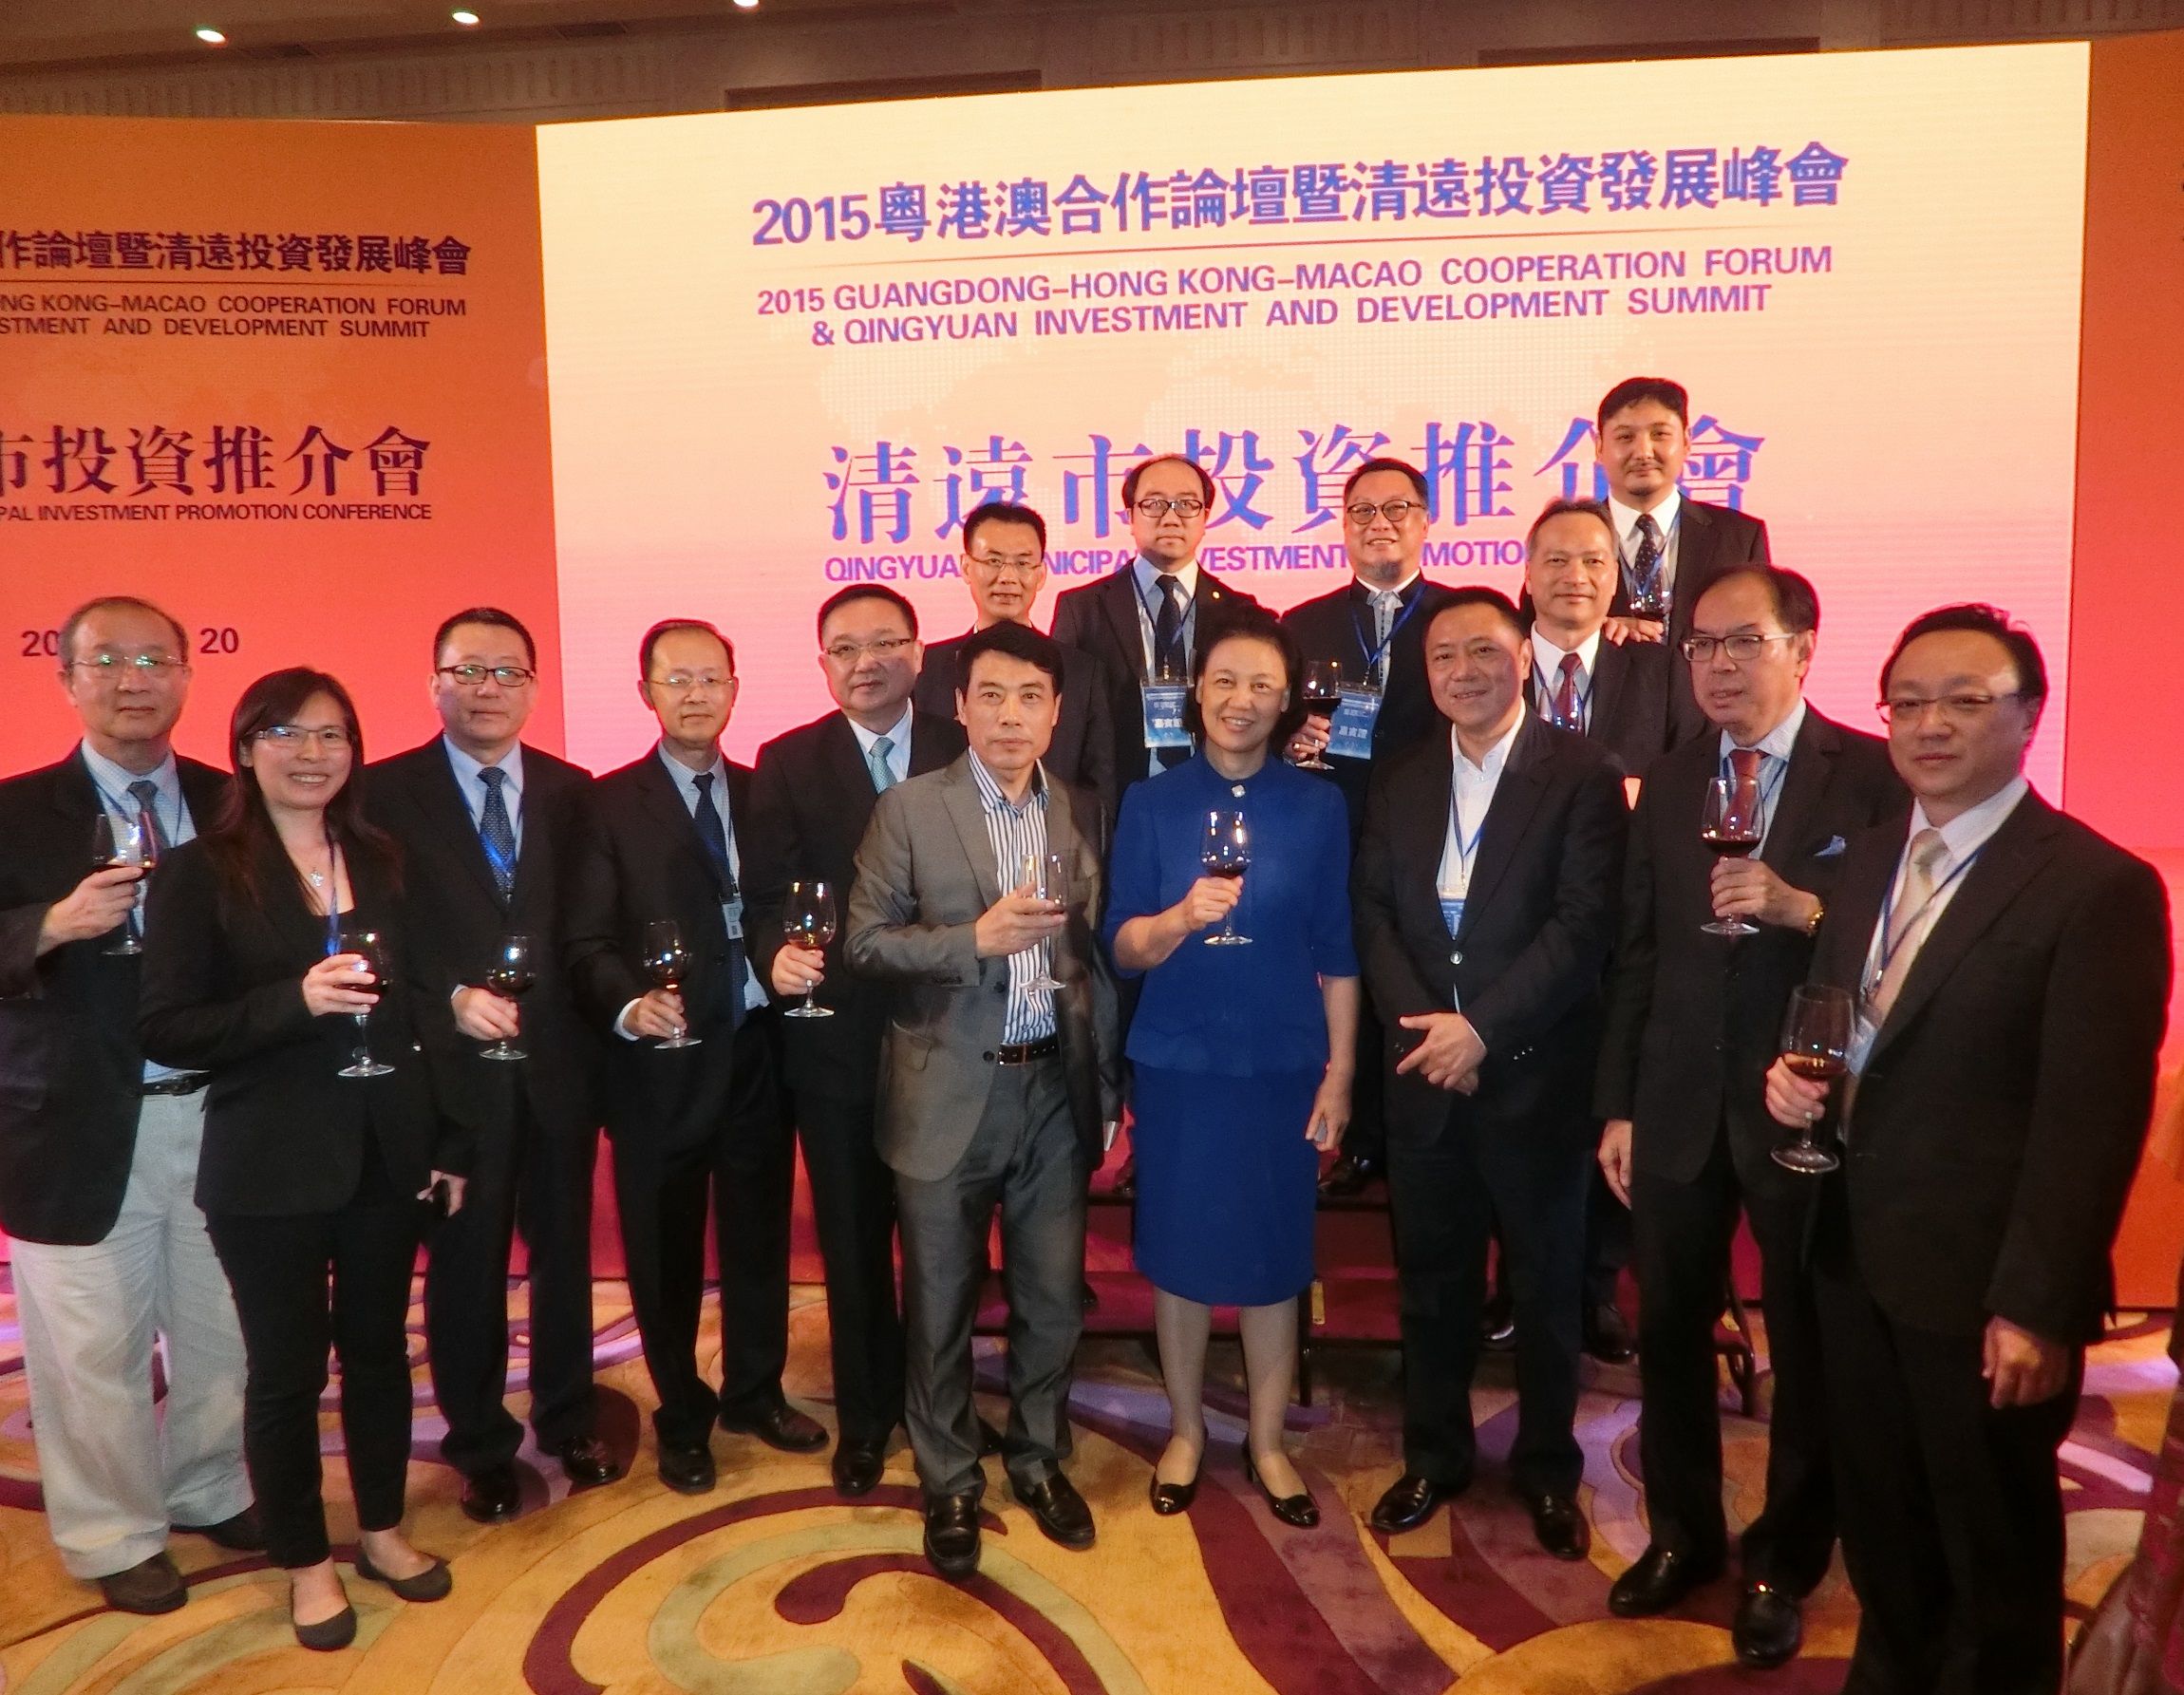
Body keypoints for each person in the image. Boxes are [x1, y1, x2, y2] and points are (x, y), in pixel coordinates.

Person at [1765, 605, 2172, 1695]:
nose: (1928, 724)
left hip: (1980, 1283)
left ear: (2027, 715)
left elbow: (2089, 1122)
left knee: (1988, 1540)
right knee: (1881, 1517)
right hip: (1848, 1247)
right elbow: (1849, 1025)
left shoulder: (2092, 887)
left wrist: (2034, 1305)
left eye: (1962, 700)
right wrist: (1792, 1088)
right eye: (1905, 703)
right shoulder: (1865, 860)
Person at [1594, 565, 1904, 1667]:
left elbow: (1900, 939)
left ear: (1802, 648)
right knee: (1668, 1330)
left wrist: (1799, 907)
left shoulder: (1870, 776)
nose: (1717, 666)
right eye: (1699, 646)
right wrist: (1618, 1104)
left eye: (1742, 642)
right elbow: (1639, 952)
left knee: (1805, 1342)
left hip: (1803, 1104)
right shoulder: (1674, 777)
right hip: (1676, 1101)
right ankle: (1680, 1534)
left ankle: (1783, 1559)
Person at [138, 669, 461, 1650]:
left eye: (332, 735)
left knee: (380, 1355)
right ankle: (306, 1564)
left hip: (385, 1151)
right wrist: (295, 1001)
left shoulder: (382, 857)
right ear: (245, 749)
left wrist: (447, 1139)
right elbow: (168, 1026)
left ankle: (382, 1531)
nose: (312, 754)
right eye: (286, 734)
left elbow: (420, 1008)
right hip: (268, 1164)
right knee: (284, 1372)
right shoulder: (200, 871)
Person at [1353, 589, 1626, 1560]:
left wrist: (1482, 1031)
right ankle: (1435, 1456)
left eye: (1482, 651)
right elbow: (1374, 916)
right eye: (1442, 656)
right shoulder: (1399, 775)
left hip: (1535, 1078)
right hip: (1425, 1076)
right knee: (1432, 1285)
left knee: (1546, 1288)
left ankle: (1548, 1470)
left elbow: (1583, 926)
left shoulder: (1581, 773)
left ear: (1522, 659)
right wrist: (1431, 1037)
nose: (1461, 671)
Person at [845, 620, 1120, 1581]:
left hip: (1052, 1090)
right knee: (939, 1306)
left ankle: (1038, 1458)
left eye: (1030, 698)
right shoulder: (908, 809)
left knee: (1051, 1298)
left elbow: (1090, 962)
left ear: (1056, 711)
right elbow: (863, 943)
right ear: (958, 706)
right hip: (946, 1092)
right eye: (991, 696)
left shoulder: (1076, 808)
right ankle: (950, 1479)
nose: (1011, 716)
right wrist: (973, 940)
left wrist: (1106, 1085)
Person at [0, 596, 254, 1615]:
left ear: (188, 675)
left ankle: (210, 1485)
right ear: (67, 680)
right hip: (74, 1121)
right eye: (106, 660)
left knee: (223, 1327)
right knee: (91, 1350)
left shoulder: (236, 803)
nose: (132, 679)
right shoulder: (15, 810)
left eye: (154, 659)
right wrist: (49, 925)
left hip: (225, 1113)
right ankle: (112, 1533)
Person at [1104, 608, 1358, 1525]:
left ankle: (1267, 1440)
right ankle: (1183, 1430)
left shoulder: (1319, 806)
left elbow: (1338, 951)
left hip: (1281, 1063)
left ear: (1287, 700)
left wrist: (1340, 1074)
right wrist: (1180, 917)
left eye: (1261, 685)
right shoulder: (1152, 802)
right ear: (1195, 694)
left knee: (1273, 1254)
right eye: (1224, 681)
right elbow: (1122, 947)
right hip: (1180, 1061)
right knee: (1177, 1251)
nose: (1240, 699)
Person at [366, 607, 618, 1522]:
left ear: (535, 687)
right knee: (465, 1267)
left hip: (558, 1070)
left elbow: (589, 928)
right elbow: (371, 935)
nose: (487, 688)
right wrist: (442, 1001)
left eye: (507, 672)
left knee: (564, 1260)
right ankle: (478, 1443)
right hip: (451, 1080)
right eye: (467, 670)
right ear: (433, 682)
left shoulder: (573, 790)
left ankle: (568, 1415)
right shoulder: (381, 794)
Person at [565, 618, 825, 1497]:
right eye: (676, 679)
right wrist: (626, 1004)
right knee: (663, 1254)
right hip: (661, 1060)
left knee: (759, 1239)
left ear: (736, 689)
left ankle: (756, 1391)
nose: (695, 694)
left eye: (712, 678)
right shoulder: (606, 803)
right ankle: (681, 1415)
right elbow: (586, 937)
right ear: (645, 692)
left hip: (756, 1050)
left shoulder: (765, 792)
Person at [744, 585, 967, 1497]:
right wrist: (773, 954)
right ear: (823, 663)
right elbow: (767, 897)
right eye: (844, 648)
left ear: (919, 652)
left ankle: (943, 1407)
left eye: (884, 643)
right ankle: (869, 1416)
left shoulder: (965, 743)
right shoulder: (787, 760)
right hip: (835, 1036)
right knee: (853, 1235)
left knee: (947, 1243)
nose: (865, 661)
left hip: (951, 1031)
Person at [1279, 457, 1458, 1200]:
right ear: (1343, 525)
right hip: (1335, 827)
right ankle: (1357, 1136)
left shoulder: (1458, 617)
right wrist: (1289, 742)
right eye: (1362, 511)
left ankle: (1418, 1132)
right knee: (1346, 975)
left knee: (1413, 978)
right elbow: (1277, 723)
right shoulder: (1302, 623)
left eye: (1396, 509)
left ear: (1425, 520)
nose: (1378, 523)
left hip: (1436, 832)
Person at [1051, 453, 1260, 795]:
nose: (1171, 517)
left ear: (1206, 517)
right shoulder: (1082, 609)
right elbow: (1064, 722)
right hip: (1116, 799)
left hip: (1215, 791)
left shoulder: (1238, 611)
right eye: (1154, 504)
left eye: (1187, 504)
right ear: (1130, 516)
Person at [914, 502, 1117, 823]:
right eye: (993, 561)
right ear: (966, 567)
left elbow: (1099, 786)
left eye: (1023, 563)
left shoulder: (1082, 672)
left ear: (1041, 573)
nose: (1007, 577)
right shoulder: (926, 669)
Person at [1591, 376, 1771, 660]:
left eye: (1659, 434)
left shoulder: (1740, 537)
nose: (1643, 452)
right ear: (1599, 446)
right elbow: (1537, 638)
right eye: (1625, 437)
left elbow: (1759, 639)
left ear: (1687, 442)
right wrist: (1592, 633)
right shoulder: (1564, 540)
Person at [1521, 497, 1680, 779]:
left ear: (1615, 577)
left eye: (1593, 561)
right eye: (1557, 560)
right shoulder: (1494, 669)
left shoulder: (1663, 673)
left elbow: (1692, 774)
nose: (1576, 577)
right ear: (1528, 576)